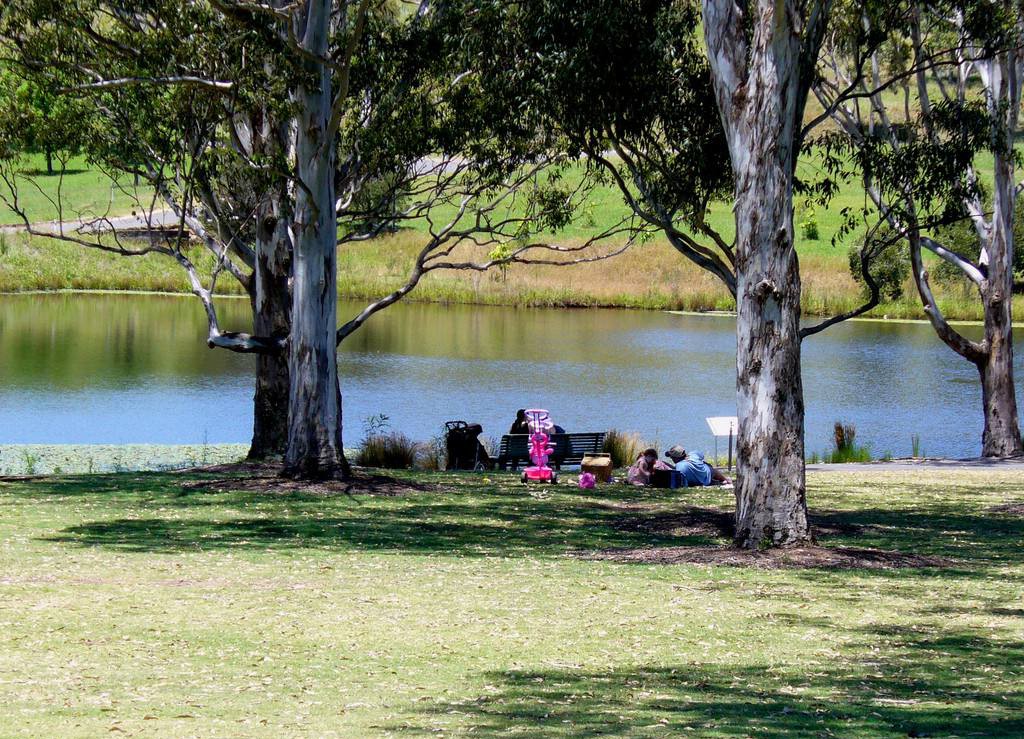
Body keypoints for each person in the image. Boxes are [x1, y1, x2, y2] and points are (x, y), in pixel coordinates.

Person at [664, 445, 731, 486]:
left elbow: (676, 472)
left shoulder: (680, 467)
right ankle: (724, 479)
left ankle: (721, 480)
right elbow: (701, 456)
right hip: (709, 473)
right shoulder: (693, 454)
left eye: (671, 457)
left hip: (699, 481)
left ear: (675, 458)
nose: (671, 458)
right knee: (708, 467)